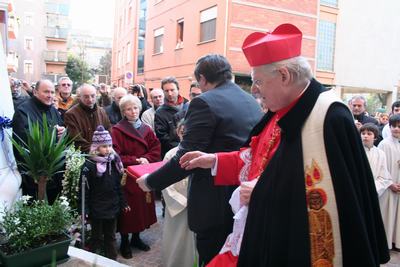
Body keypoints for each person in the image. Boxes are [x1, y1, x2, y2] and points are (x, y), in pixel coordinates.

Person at [179, 24, 389, 266]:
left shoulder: (329, 117)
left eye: (258, 82)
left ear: (284, 76)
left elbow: (327, 199)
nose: (254, 90)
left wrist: (259, 193)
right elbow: (257, 160)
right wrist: (214, 160)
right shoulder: (279, 111)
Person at [137, 54, 262, 265]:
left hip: (214, 202)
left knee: (212, 257)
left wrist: (150, 182)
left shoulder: (204, 102)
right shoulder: (250, 100)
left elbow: (186, 158)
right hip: (244, 197)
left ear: (202, 79)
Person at [111, 95, 161, 258]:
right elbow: (115, 153)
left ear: (140, 108)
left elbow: (156, 148)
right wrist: (135, 160)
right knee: (128, 209)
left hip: (145, 173)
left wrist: (146, 159)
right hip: (127, 175)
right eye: (128, 109)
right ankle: (125, 241)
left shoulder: (147, 129)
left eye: (135, 108)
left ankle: (136, 238)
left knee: (142, 208)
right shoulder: (117, 130)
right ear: (123, 112)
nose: (133, 112)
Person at [79, 125, 130, 260]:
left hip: (112, 205)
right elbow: (85, 190)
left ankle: (112, 260)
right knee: (96, 236)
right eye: (104, 146)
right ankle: (95, 260)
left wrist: (123, 202)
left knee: (111, 236)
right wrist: (85, 209)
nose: (107, 149)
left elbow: (118, 186)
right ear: (96, 148)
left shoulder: (114, 162)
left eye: (109, 145)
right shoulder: (88, 165)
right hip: (96, 207)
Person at [12, 79, 66, 202]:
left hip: (54, 172)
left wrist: (62, 133)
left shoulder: (52, 110)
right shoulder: (23, 111)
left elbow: (62, 132)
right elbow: (22, 143)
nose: (50, 95)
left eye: (52, 92)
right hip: (34, 176)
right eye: (46, 92)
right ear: (35, 92)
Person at [161, 119, 196, 267]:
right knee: (176, 240)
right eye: (183, 132)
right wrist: (182, 202)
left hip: (197, 204)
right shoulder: (171, 155)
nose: (185, 135)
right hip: (178, 207)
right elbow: (165, 182)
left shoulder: (200, 152)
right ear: (178, 133)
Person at [64, 84, 111, 153]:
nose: (90, 99)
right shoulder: (71, 114)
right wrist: (95, 151)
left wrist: (106, 148)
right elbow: (75, 139)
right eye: (86, 97)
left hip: (103, 153)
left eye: (93, 96)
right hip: (82, 156)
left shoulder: (101, 111)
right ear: (80, 97)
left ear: (96, 95)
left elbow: (108, 130)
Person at [378, 114, 400, 250]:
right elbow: (381, 167)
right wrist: (390, 183)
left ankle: (396, 241)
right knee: (387, 214)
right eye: (394, 126)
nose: (396, 129)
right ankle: (385, 243)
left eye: (399, 126)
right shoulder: (384, 144)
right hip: (388, 186)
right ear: (389, 127)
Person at [154, 77, 189, 157]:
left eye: (172, 90)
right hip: (172, 154)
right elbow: (162, 137)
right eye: (166, 91)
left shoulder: (189, 105)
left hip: (191, 148)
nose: (169, 93)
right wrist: (180, 148)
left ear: (178, 89)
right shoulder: (160, 112)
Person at [360, 123, 392, 196]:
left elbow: (383, 176)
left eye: (369, 134)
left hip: (373, 190)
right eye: (363, 133)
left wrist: (373, 188)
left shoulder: (380, 154)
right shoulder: (355, 151)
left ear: (375, 137)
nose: (365, 136)